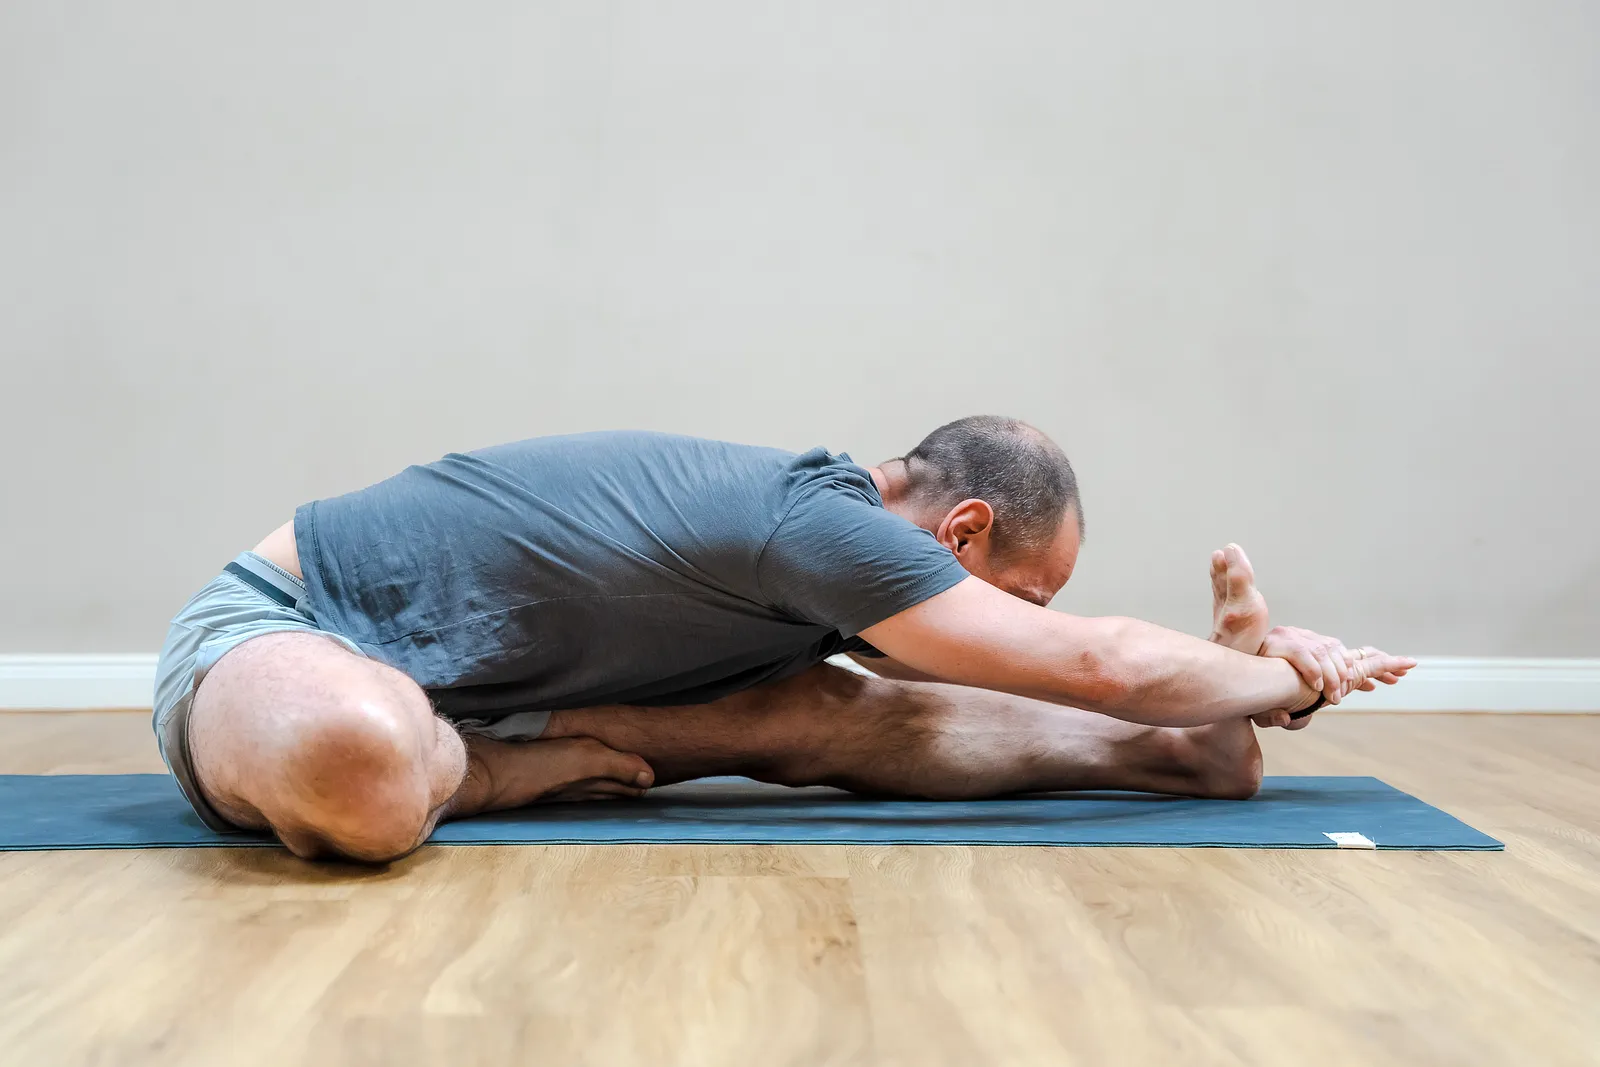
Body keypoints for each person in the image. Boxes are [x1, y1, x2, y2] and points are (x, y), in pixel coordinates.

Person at [153, 416, 1414, 862]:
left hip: (491, 686)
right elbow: (1097, 662)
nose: (1017, 629)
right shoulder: (817, 525)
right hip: (292, 627)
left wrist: (1228, 705)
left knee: (828, 707)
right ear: (961, 528)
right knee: (362, 770)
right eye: (1021, 595)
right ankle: (480, 771)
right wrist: (1286, 673)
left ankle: (1186, 758)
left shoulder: (827, 572)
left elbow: (1029, 685)